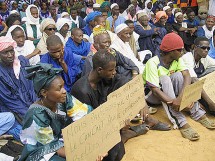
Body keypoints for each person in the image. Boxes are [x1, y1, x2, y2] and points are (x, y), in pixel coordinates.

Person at [143, 33, 215, 141]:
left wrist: (182, 98)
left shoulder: (177, 59)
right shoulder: (153, 63)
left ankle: (198, 114)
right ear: (171, 51)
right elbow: (155, 91)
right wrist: (174, 102)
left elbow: (187, 76)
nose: (182, 52)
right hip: (152, 97)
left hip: (168, 94)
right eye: (180, 50)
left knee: (179, 76)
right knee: (164, 79)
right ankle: (181, 122)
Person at [19, 63, 92, 161]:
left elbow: (82, 114)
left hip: (62, 139)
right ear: (44, 92)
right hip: (43, 149)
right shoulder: (36, 114)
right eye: (59, 88)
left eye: (63, 86)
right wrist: (83, 153)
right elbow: (50, 145)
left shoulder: (63, 98)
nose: (64, 91)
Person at [0, 36, 36, 121]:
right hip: (13, 109)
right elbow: (9, 100)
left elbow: (32, 86)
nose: (10, 55)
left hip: (30, 101)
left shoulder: (22, 62)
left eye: (11, 51)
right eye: (5, 52)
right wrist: (28, 112)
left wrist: (36, 105)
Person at [182, 37, 215, 115]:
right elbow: (194, 80)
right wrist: (210, 102)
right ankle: (208, 104)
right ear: (195, 47)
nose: (206, 50)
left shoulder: (205, 58)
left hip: (198, 88)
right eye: (203, 48)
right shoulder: (187, 57)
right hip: (184, 89)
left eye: (208, 48)